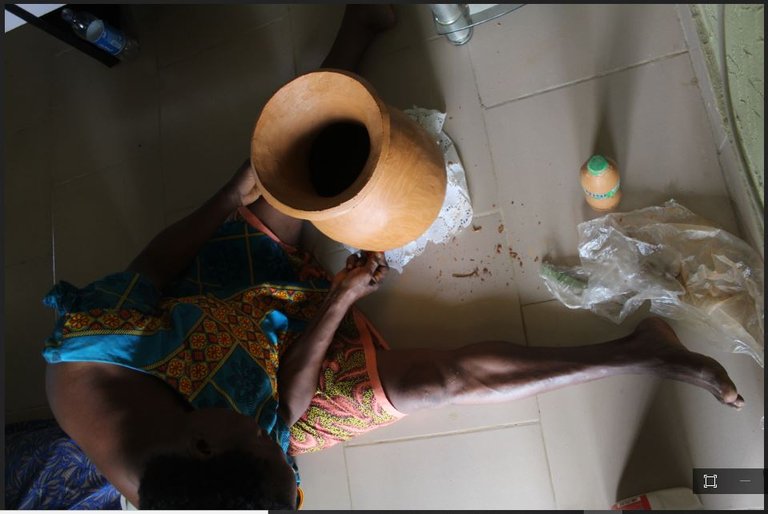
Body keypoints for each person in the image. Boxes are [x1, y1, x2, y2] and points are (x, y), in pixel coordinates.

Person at [43, 4, 744, 510]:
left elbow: (160, 262)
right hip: (260, 360)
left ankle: (355, 32)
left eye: (265, 447)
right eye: (277, 455)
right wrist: (342, 300)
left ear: (199, 437)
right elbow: (284, 408)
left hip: (214, 298)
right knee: (436, 384)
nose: (276, 446)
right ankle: (645, 350)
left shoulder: (92, 363)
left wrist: (230, 198)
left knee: (283, 173)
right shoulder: (238, 477)